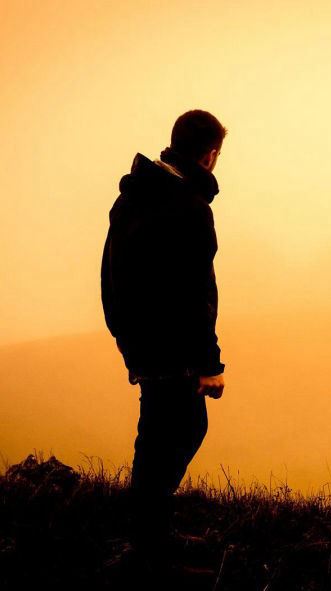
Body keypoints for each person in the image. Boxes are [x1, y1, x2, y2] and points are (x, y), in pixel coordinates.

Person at [100, 109, 227, 568]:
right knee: (182, 431)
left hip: (140, 340)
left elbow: (108, 272)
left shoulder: (134, 196)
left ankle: (147, 537)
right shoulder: (190, 208)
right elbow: (197, 293)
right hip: (173, 347)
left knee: (156, 433)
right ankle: (148, 545)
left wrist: (123, 337)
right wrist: (210, 364)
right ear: (211, 156)